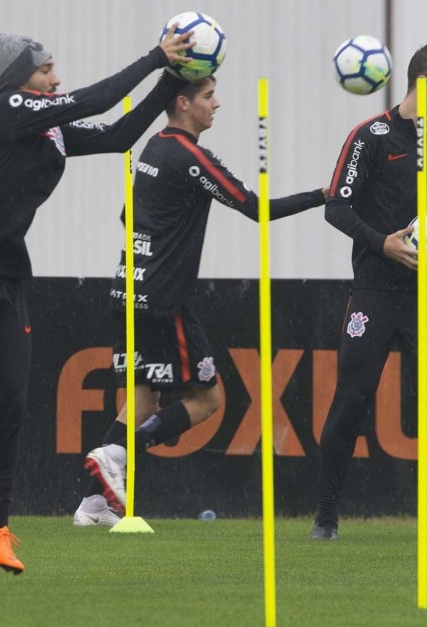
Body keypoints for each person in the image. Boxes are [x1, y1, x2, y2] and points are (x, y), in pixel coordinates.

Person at [0, 29, 195, 572]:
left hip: (8, 278)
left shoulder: (48, 130)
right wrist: (153, 58)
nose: (57, 77)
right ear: (21, 77)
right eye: (47, 68)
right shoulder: (8, 109)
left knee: (12, 401)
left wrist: (169, 83)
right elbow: (94, 99)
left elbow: (118, 134)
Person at [73, 75, 329, 525]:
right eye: (209, 97)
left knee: (142, 399)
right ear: (183, 102)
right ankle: (117, 452)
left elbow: (126, 214)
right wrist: (322, 195)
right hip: (163, 298)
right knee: (209, 398)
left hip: (128, 285)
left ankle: (93, 504)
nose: (217, 104)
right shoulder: (192, 157)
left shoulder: (154, 146)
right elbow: (256, 208)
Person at [310, 45, 427, 542]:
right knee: (352, 400)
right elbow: (336, 206)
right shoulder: (371, 136)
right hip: (376, 291)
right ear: (423, 84)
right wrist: (382, 242)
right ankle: (325, 518)